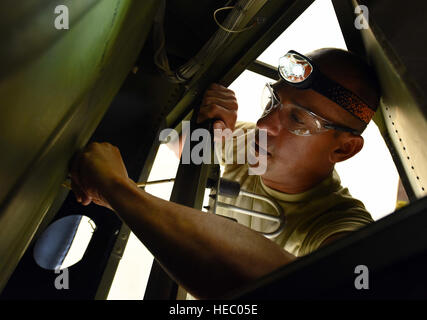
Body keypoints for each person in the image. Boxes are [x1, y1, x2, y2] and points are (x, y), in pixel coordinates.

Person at [70, 48, 381, 299]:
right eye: (273, 101)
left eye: (298, 119)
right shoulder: (251, 144)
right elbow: (179, 146)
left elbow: (301, 290)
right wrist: (206, 134)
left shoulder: (339, 223)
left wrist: (119, 191)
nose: (265, 124)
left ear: (344, 150)